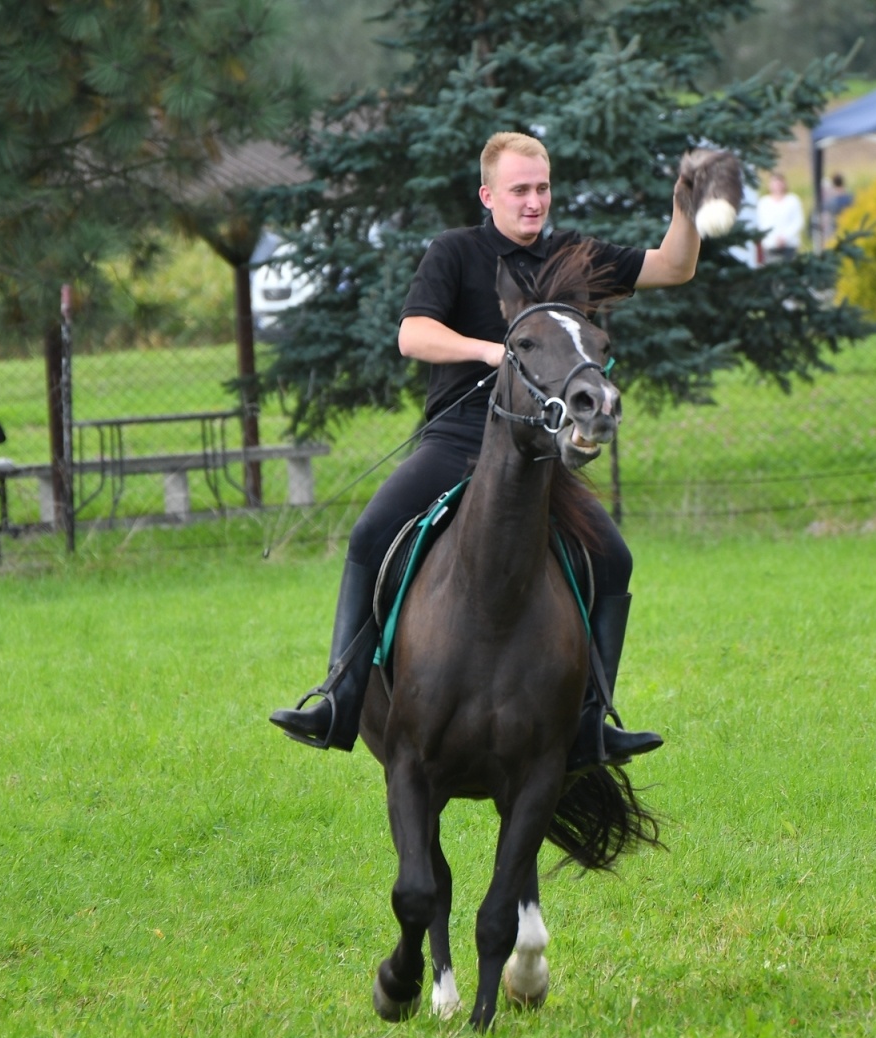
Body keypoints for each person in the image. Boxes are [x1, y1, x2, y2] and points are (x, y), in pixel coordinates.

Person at [269, 131, 707, 771]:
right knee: (369, 536)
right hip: (459, 440)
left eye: (543, 188)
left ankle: (591, 722)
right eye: (520, 190)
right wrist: (488, 350)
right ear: (488, 194)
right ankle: (338, 698)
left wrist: (686, 205)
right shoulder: (455, 252)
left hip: (539, 456)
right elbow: (411, 334)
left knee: (614, 559)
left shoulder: (575, 256)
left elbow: (675, 265)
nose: (534, 202)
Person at [822, 173, 854, 244]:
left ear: (833, 184)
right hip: (849, 230)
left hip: (834, 233)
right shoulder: (851, 198)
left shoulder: (830, 202)